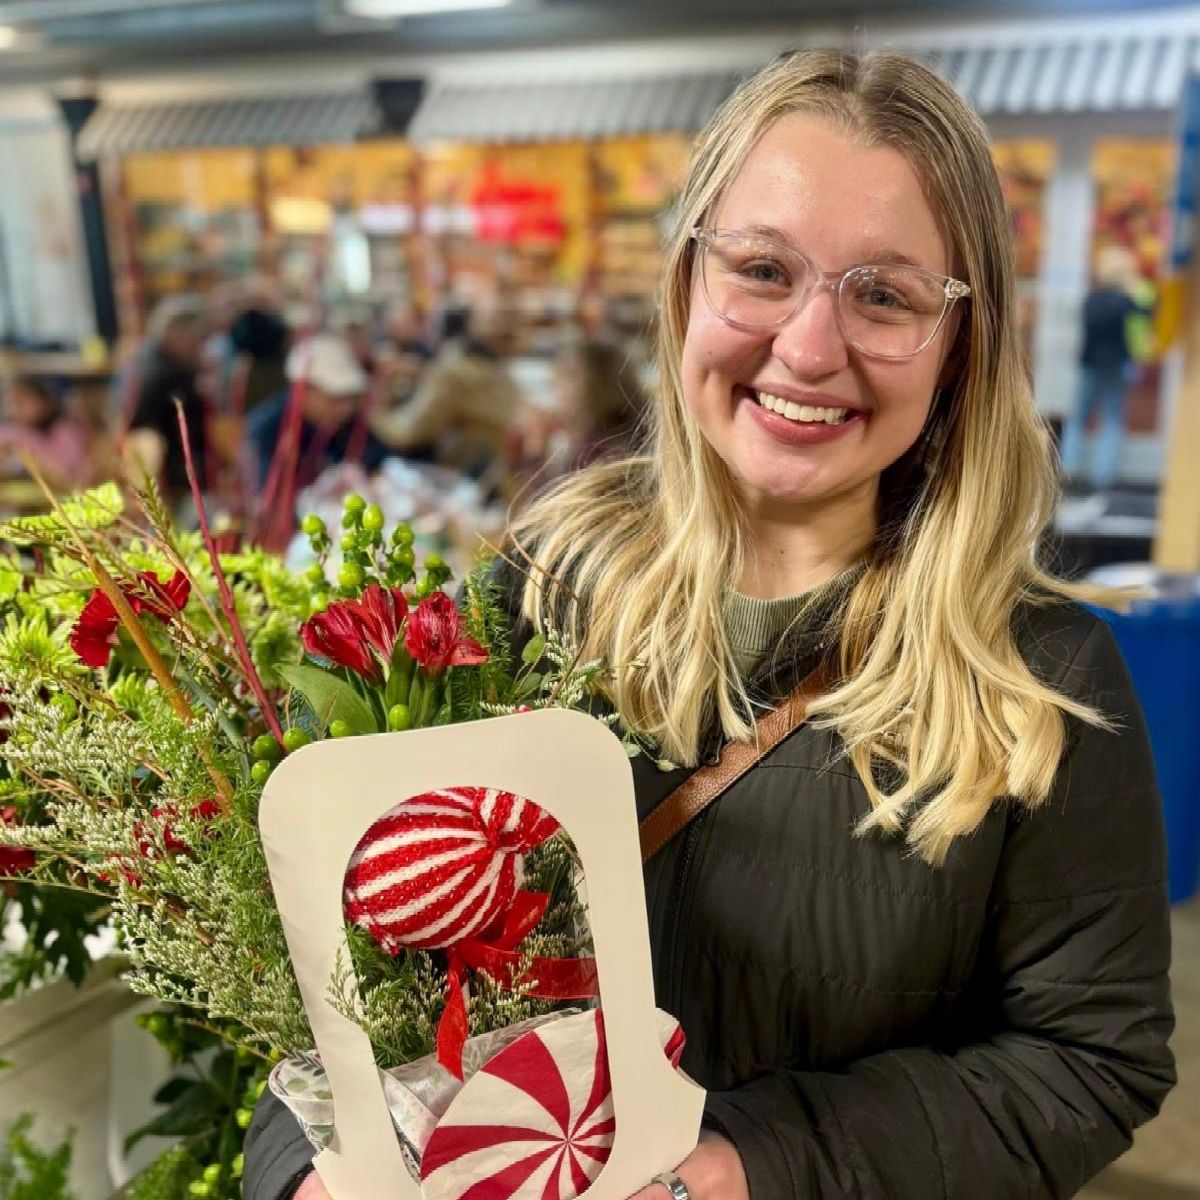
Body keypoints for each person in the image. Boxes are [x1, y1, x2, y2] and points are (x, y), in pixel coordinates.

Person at [245, 51, 1174, 1200]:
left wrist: (751, 1170)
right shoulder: (542, 586)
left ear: (960, 344)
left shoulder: (1036, 675)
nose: (808, 346)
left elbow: (1089, 1063)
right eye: (763, 269)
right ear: (689, 283)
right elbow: (339, 980)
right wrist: (310, 1170)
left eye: (884, 295)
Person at [369, 302, 521, 493]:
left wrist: (379, 402)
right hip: (498, 477)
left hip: (473, 483)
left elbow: (408, 432)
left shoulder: (451, 372)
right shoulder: (490, 366)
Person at [245, 333, 389, 490]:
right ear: (303, 390)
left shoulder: (347, 424)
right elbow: (267, 492)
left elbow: (381, 460)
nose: (346, 408)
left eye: (350, 398)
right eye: (336, 398)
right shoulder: (268, 430)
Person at [1059, 244, 1150, 492]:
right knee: (1111, 418)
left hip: (1089, 364)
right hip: (1117, 365)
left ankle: (1069, 467)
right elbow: (1149, 310)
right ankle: (1103, 474)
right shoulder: (1125, 302)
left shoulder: (1091, 300)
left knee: (1079, 417)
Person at [129, 294, 210, 510]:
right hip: (176, 476)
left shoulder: (162, 367)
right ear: (174, 335)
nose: (200, 347)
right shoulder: (165, 374)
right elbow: (144, 433)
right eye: (195, 339)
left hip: (180, 471)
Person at [0, 375, 91, 492]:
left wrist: (26, 446)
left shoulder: (65, 431)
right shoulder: (9, 433)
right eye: (11, 403)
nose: (15, 409)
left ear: (45, 402)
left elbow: (69, 476)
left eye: (23, 402)